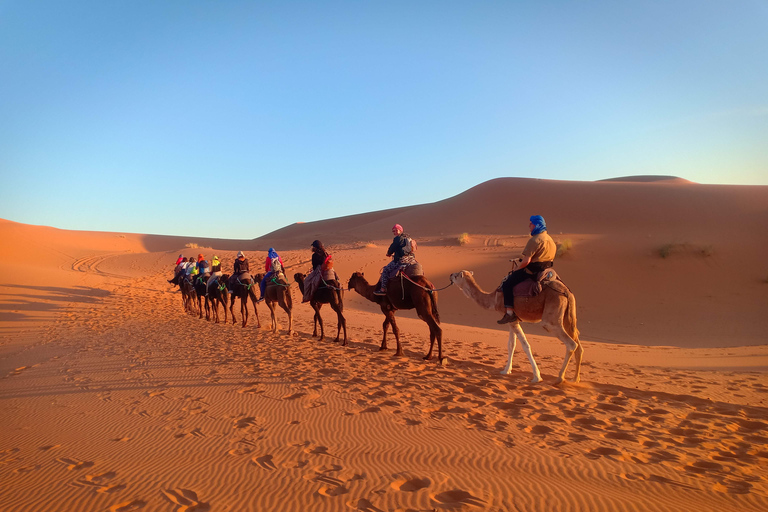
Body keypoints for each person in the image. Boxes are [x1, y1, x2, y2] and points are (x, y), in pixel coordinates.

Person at [497, 215, 557, 324]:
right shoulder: (550, 240)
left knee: (507, 284)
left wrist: (516, 269)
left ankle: (510, 313)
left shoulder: (535, 240)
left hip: (533, 271)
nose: (529, 225)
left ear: (537, 225)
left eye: (531, 223)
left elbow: (526, 261)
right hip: (547, 270)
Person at [375, 224, 417, 295]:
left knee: (385, 270)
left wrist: (389, 253)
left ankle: (383, 289)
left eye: (396, 230)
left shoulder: (398, 238)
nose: (394, 232)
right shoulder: (408, 237)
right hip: (411, 259)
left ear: (400, 230)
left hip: (401, 260)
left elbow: (392, 247)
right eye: (393, 231)